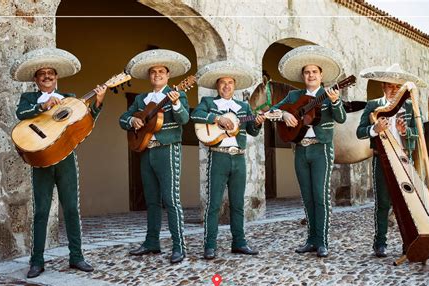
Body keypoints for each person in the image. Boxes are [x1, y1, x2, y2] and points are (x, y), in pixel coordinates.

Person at [11, 48, 106, 278]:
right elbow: (21, 113)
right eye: (42, 73)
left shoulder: (70, 98)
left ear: (57, 77)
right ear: (36, 79)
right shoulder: (29, 99)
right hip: (41, 160)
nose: (46, 76)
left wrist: (98, 103)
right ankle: (37, 261)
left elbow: (85, 123)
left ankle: (77, 257)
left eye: (50, 73)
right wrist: (42, 107)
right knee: (41, 211)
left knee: (72, 208)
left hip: (66, 160)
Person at [271, 45, 347, 257]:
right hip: (300, 151)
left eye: (314, 72)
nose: (311, 75)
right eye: (307, 72)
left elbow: (340, 118)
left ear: (321, 75)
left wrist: (336, 101)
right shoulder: (294, 95)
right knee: (307, 197)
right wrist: (283, 115)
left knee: (320, 196)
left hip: (321, 149)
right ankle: (311, 240)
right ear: (303, 76)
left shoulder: (328, 94)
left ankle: (322, 241)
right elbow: (270, 111)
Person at [119, 49, 191, 264]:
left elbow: (184, 119)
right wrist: (132, 121)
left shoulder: (179, 94)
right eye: (153, 72)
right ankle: (152, 242)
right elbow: (122, 119)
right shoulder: (142, 99)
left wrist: (176, 103)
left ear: (168, 75)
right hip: (146, 150)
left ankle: (179, 246)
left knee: (171, 199)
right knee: (151, 200)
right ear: (149, 76)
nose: (157, 75)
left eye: (161, 71)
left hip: (167, 149)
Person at [191, 60, 265, 260]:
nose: (226, 86)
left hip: (238, 158)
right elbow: (195, 115)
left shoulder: (243, 106)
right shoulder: (209, 104)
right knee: (214, 203)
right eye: (222, 83)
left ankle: (239, 243)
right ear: (217, 86)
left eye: (230, 83)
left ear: (235, 85)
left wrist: (258, 122)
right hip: (218, 155)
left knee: (238, 203)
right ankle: (210, 245)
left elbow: (252, 130)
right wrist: (217, 119)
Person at [356, 64, 424, 257]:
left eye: (397, 87)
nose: (393, 90)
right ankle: (380, 243)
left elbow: (419, 134)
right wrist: (373, 129)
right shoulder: (372, 106)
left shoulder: (410, 106)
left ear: (401, 88)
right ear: (383, 87)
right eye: (389, 86)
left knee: (406, 204)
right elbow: (360, 132)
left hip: (403, 160)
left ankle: (408, 242)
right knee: (383, 203)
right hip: (382, 159)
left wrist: (406, 132)